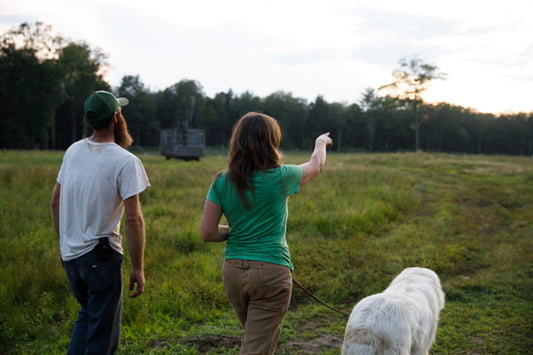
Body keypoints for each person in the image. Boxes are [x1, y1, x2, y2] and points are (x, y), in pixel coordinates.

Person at [200, 112, 332, 354]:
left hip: (233, 273)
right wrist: (321, 142)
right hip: (271, 272)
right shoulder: (281, 177)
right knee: (256, 348)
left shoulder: (221, 181)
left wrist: (239, 230)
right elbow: (317, 165)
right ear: (272, 142)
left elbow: (207, 233)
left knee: (255, 340)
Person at [50, 90, 150, 354]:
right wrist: (138, 267)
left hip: (71, 257)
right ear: (116, 118)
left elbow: (55, 202)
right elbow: (134, 218)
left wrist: (64, 247)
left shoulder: (72, 151)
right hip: (100, 258)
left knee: (88, 317)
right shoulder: (126, 161)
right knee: (101, 338)